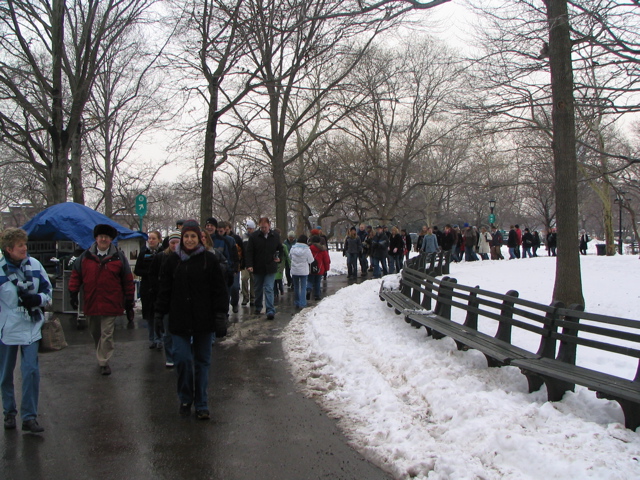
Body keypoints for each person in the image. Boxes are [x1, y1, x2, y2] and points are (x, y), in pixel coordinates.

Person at [154, 221, 228, 419]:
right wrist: (159, 314)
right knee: (183, 359)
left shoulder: (209, 260)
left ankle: (202, 403)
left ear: (199, 238)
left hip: (204, 319)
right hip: (179, 320)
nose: (189, 240)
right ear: (181, 238)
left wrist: (221, 315)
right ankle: (186, 396)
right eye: (186, 236)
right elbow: (164, 290)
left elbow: (219, 290)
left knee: (202, 362)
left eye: (193, 236)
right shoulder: (172, 261)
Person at [0, 228, 52, 433]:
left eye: (25, 244)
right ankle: (9, 412)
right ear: (8, 249)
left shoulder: (35, 265)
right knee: (5, 374)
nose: (24, 248)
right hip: (7, 328)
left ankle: (29, 416)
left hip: (31, 325)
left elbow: (47, 291)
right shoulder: (1, 269)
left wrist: (37, 299)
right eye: (20, 245)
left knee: (31, 371)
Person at [68, 224, 135, 375]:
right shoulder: (85, 257)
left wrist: (129, 299)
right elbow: (76, 275)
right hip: (92, 301)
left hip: (111, 301)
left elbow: (127, 279)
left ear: (111, 239)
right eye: (101, 236)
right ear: (96, 238)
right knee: (96, 332)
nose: (103, 239)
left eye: (106, 237)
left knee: (107, 333)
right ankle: (101, 353)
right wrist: (73, 292)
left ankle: (103, 361)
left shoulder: (119, 257)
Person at [148, 230, 181, 368]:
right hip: (166, 298)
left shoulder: (186, 257)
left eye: (177, 243)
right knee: (168, 331)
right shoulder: (161, 257)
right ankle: (170, 356)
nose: (174, 245)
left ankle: (180, 354)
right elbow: (153, 275)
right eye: (172, 243)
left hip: (180, 299)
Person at [245, 217, 283, 320]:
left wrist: (279, 258)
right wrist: (249, 265)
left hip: (270, 267)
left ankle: (270, 310)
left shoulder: (275, 236)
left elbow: (280, 248)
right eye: (261, 227)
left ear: (269, 225)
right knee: (258, 288)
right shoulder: (254, 237)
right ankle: (258, 306)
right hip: (258, 267)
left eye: (265, 227)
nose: (263, 229)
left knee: (268, 288)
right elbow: (249, 252)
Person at [134, 230, 163, 350]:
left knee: (158, 314)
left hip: (159, 287)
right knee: (149, 315)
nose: (151, 241)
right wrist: (148, 273)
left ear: (159, 240)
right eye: (149, 238)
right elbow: (137, 270)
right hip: (147, 287)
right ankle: (152, 338)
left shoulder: (162, 253)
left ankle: (159, 338)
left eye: (153, 238)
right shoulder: (143, 253)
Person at [289, 234, 315, 308]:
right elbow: (311, 260)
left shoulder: (293, 248)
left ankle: (297, 302)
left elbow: (290, 256)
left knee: (296, 286)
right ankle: (303, 303)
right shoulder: (307, 250)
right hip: (303, 271)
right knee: (303, 287)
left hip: (294, 270)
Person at [308, 235, 330, 300]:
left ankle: (308, 289)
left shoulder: (309, 248)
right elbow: (326, 260)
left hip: (310, 268)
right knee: (317, 282)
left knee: (309, 280)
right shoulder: (322, 249)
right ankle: (317, 295)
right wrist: (326, 269)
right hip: (320, 268)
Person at [240, 220, 256, 306]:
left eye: (250, 228)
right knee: (244, 279)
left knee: (253, 280)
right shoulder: (243, 237)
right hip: (245, 262)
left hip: (254, 263)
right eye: (248, 228)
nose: (249, 230)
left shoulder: (256, 237)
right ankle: (245, 297)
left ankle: (253, 298)